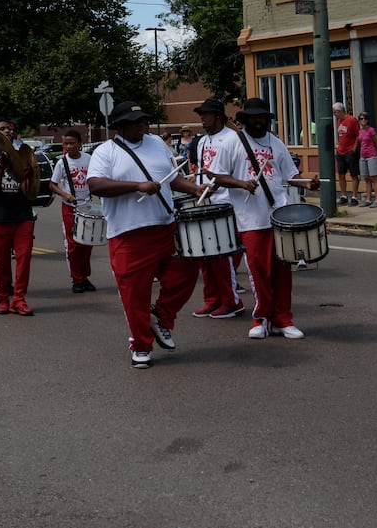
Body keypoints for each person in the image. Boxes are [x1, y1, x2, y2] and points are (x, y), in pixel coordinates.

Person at [86, 102, 202, 369]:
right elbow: (96, 184)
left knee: (187, 270)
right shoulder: (106, 151)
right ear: (121, 125)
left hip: (165, 225)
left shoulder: (157, 144)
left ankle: (160, 317)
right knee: (135, 293)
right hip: (128, 233)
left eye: (145, 120)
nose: (143, 125)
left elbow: (171, 177)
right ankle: (140, 345)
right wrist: (136, 186)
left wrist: (193, 188)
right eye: (137, 121)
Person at [207, 97, 313, 340]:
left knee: (282, 271)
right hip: (250, 219)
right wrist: (241, 183)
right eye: (254, 117)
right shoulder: (232, 143)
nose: (258, 121)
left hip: (279, 215)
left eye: (262, 117)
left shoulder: (276, 144)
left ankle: (283, 319)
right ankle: (261, 318)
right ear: (245, 119)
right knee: (258, 272)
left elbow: (290, 176)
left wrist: (307, 182)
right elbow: (216, 175)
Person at [0, 118, 38, 315]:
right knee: (1, 261)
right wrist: (0, 168)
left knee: (24, 258)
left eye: (10, 129)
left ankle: (19, 299)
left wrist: (30, 174)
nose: (7, 131)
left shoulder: (24, 156)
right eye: (2, 129)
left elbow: (32, 191)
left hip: (23, 215)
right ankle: (2, 298)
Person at [188, 98, 242, 319]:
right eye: (201, 115)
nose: (202, 119)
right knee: (205, 256)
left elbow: (235, 170)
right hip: (206, 200)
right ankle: (212, 299)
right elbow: (203, 169)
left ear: (218, 115)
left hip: (225, 201)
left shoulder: (233, 138)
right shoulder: (201, 141)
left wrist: (216, 185)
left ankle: (232, 301)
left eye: (206, 115)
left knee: (221, 256)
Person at [49, 129, 96, 293]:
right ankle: (76, 279)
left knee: (87, 243)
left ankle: (85, 277)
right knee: (73, 244)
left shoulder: (89, 159)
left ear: (79, 144)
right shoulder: (62, 163)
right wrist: (65, 195)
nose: (68, 146)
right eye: (66, 143)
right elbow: (52, 184)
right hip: (70, 208)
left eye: (72, 143)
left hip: (87, 206)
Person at [333, 102, 360, 207]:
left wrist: (354, 149)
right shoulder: (339, 121)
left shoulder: (352, 120)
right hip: (341, 150)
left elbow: (358, 135)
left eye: (336, 112)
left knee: (353, 174)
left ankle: (354, 196)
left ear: (340, 111)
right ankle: (344, 196)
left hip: (350, 150)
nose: (335, 115)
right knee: (341, 174)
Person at [355, 112, 377, 207]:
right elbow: (358, 142)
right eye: (361, 119)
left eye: (365, 119)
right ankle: (368, 199)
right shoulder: (360, 132)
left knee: (374, 178)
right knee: (366, 178)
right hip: (363, 156)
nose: (363, 120)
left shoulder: (371, 130)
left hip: (372, 155)